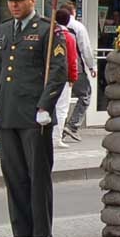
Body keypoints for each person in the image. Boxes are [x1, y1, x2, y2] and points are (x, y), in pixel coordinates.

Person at [0, 0, 69, 237]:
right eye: (11, 0)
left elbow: (58, 71)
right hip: (9, 111)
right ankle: (21, 229)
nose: (14, 5)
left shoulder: (48, 29)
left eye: (20, 0)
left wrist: (46, 105)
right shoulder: (6, 29)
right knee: (14, 174)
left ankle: (42, 232)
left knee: (37, 175)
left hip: (35, 115)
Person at [62, 0, 96, 142]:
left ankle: (59, 129)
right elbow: (85, 48)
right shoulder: (77, 27)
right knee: (85, 95)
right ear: (73, 13)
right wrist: (92, 66)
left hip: (57, 69)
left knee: (59, 100)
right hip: (76, 68)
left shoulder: (53, 27)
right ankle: (72, 125)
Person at [50, 8, 80, 150]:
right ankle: (56, 138)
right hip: (63, 77)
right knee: (61, 109)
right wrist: (73, 77)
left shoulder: (49, 33)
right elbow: (72, 59)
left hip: (47, 76)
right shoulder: (69, 36)